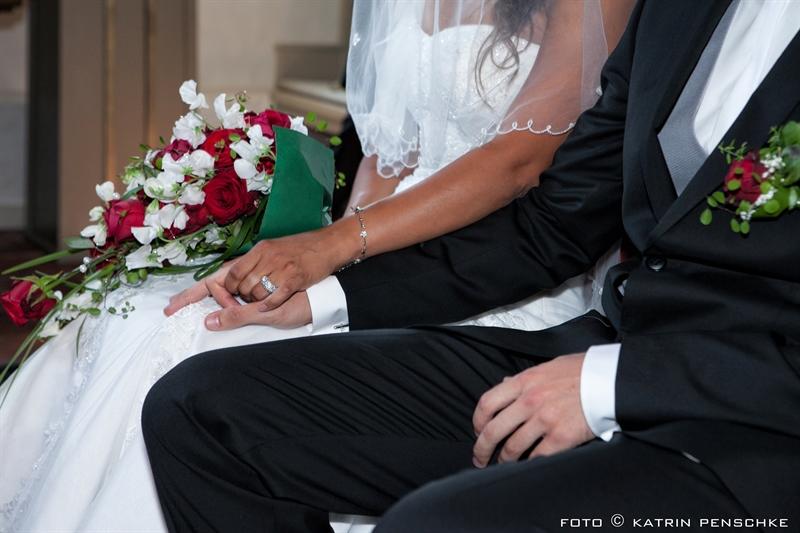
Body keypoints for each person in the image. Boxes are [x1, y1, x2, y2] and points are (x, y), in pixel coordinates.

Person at [142, 0, 800, 531]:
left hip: (755, 430)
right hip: (614, 350)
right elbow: (552, 227)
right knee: (202, 410)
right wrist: (329, 288)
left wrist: (621, 384)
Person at [0, 1, 633, 531]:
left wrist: (336, 249)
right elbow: (386, 156)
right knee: (133, 311)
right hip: (382, 247)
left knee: (193, 345)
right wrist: (329, 262)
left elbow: (520, 160)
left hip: (504, 269)